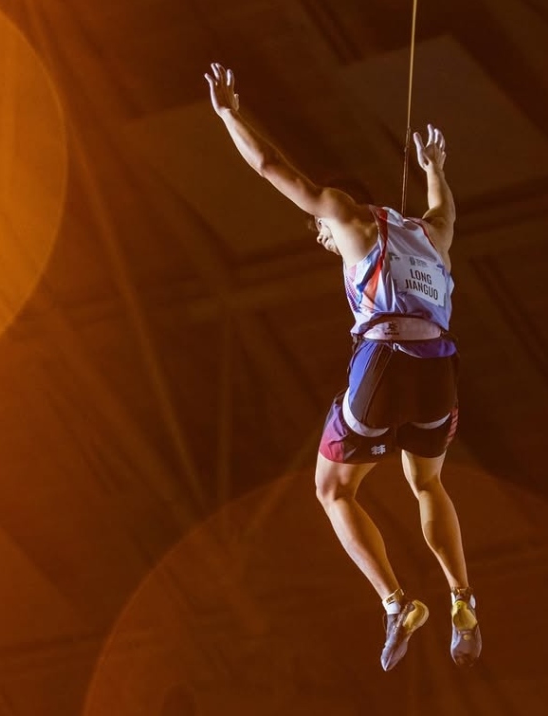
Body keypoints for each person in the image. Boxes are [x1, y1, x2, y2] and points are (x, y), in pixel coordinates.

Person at [205, 62, 481, 670]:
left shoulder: (345, 216)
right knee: (428, 482)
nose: (326, 243)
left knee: (331, 488)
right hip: (440, 365)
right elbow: (446, 209)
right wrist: (436, 169)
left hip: (384, 359)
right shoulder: (434, 235)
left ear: (336, 216)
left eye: (322, 236)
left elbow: (271, 167)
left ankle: (395, 603)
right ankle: (463, 596)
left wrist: (230, 113)